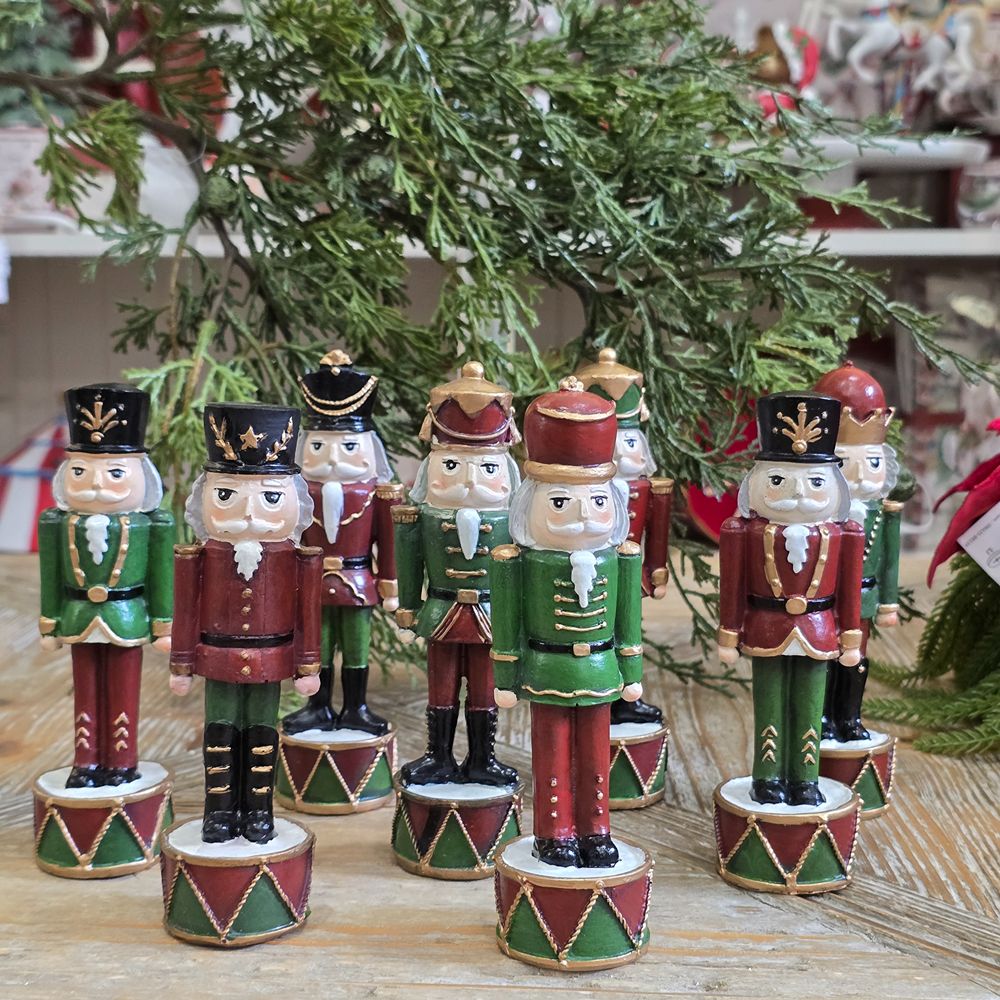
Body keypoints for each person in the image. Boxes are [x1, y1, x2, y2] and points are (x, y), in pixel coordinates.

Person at [489, 377, 644, 867]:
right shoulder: (519, 561)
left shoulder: (620, 558)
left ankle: (597, 829)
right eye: (560, 502)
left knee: (597, 753)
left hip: (599, 667)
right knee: (550, 751)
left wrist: (632, 671)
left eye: (597, 502)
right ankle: (554, 831)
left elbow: (628, 621)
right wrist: (506, 676)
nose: (583, 517)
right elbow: (508, 619)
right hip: (546, 667)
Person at [169, 403, 322, 843]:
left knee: (261, 732)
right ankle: (219, 810)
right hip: (217, 655)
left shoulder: (298, 558)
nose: (249, 515)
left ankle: (259, 810)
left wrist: (308, 665)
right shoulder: (199, 556)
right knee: (219, 730)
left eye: (271, 498)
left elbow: (307, 613)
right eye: (227, 496)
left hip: (271, 656)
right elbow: (186, 610)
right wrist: (181, 663)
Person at [717, 392, 864, 806]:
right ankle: (768, 776)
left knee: (809, 704)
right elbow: (732, 584)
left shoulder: (842, 534)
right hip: (766, 626)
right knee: (768, 704)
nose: (798, 494)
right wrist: (729, 632)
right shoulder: (744, 532)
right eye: (779, 481)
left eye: (815, 483)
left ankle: (805, 777)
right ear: (757, 483)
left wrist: (851, 636)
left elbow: (849, 588)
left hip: (819, 628)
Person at [38, 383, 173, 788]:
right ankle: (87, 761)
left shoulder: (150, 525)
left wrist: (163, 624)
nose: (96, 485)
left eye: (115, 473)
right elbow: (50, 575)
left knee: (123, 689)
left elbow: (161, 576)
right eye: (81, 472)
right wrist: (49, 621)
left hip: (126, 615)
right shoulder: (57, 523)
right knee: (85, 689)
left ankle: (122, 760)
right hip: (78, 615)